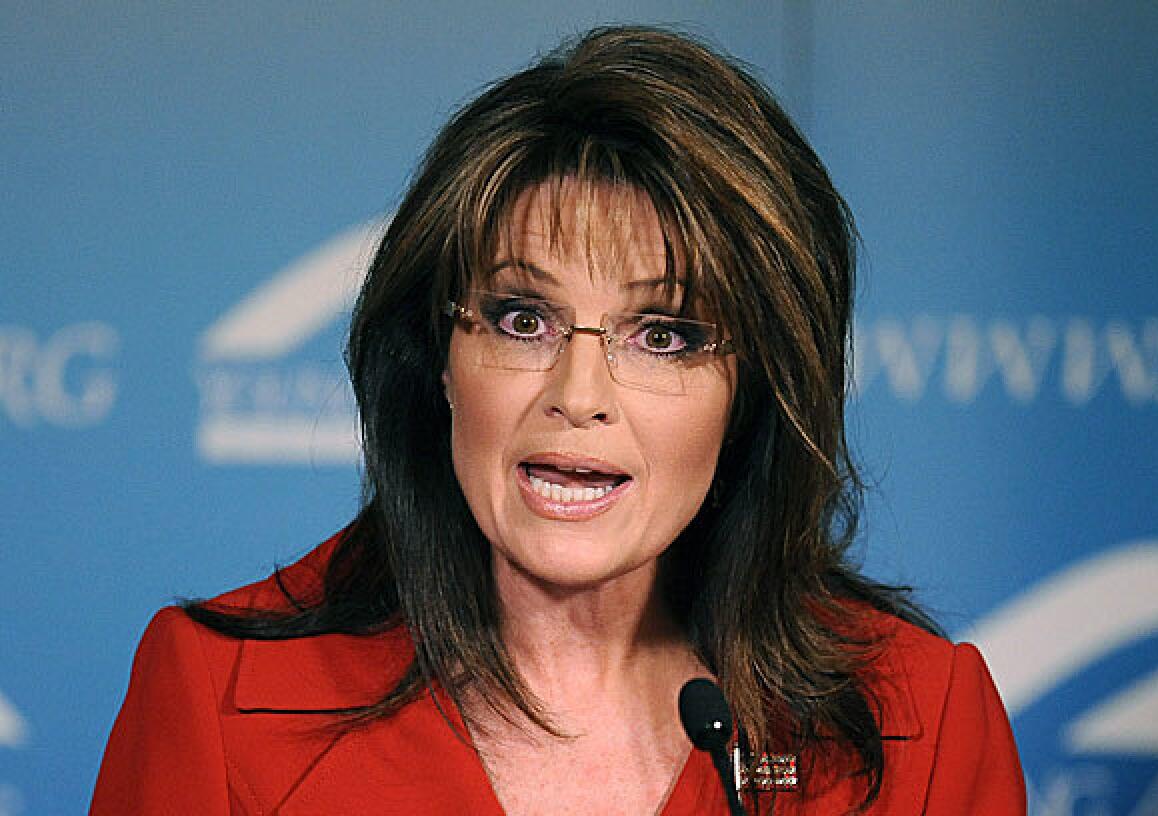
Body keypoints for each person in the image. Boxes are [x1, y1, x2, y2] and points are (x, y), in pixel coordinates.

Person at [92, 25, 1024, 815]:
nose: (577, 394)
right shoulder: (220, 702)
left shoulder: (918, 733)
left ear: (755, 390)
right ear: (439, 359)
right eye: (521, 319)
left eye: (663, 335)